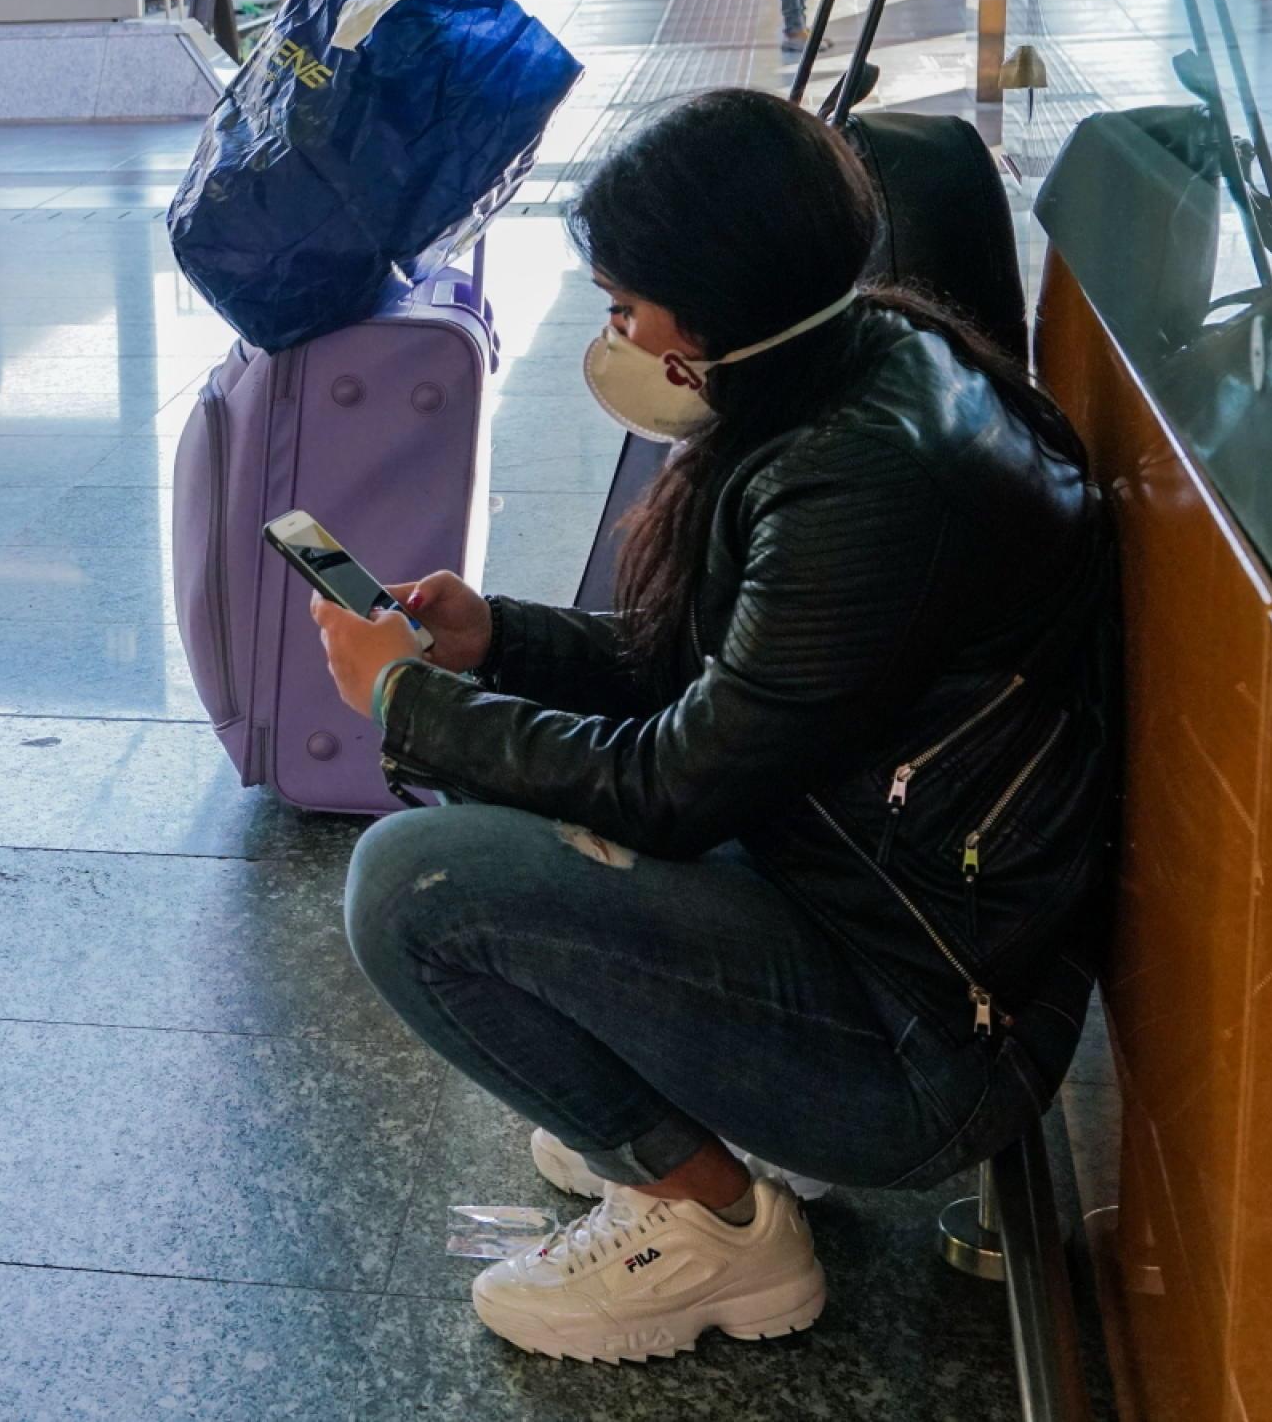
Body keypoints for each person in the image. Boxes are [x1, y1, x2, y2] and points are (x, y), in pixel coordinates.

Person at [310, 89, 1114, 1366]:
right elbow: (728, 682)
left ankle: (714, 1226)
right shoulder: (872, 361)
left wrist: (410, 701)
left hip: (921, 1042)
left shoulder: (867, 486)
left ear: (719, 306)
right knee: (496, 800)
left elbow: (678, 783)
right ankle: (670, 1116)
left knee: (416, 886)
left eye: (627, 307)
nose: (614, 335)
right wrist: (494, 641)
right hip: (874, 902)